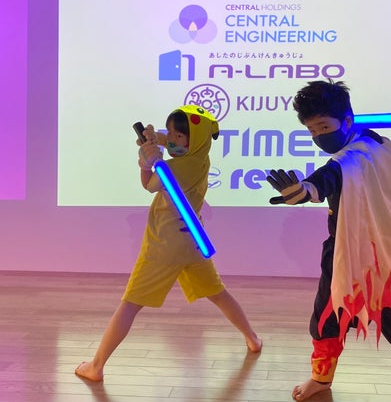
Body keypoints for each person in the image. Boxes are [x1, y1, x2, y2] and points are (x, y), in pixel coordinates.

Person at [266, 80, 391, 402]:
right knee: (326, 317)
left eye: (324, 127)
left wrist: (307, 190)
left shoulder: (358, 156)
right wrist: (306, 190)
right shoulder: (372, 145)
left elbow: (329, 176)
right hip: (340, 251)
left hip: (378, 256)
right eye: (311, 131)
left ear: (347, 121)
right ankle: (321, 378)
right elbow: (331, 176)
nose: (319, 136)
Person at [75, 105, 262, 382]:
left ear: (192, 139)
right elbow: (175, 144)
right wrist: (155, 139)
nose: (172, 139)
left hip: (164, 245)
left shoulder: (172, 168)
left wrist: (146, 163)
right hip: (193, 241)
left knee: (130, 303)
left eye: (178, 135)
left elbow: (148, 185)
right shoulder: (201, 156)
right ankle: (252, 338)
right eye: (170, 133)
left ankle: (96, 366)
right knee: (217, 292)